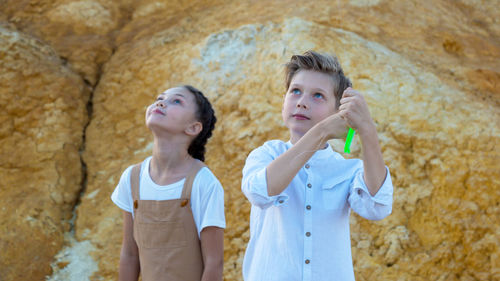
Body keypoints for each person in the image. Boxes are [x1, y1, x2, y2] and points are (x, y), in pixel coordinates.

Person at [241, 51, 393, 281]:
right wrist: (321, 132)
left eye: (318, 96)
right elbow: (260, 192)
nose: (302, 102)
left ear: (338, 111)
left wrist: (367, 129)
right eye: (295, 91)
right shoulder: (266, 154)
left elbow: (377, 207)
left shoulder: (348, 169)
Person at [111, 85, 225, 281]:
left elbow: (214, 263)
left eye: (176, 101)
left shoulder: (203, 182)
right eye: (159, 98)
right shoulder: (131, 178)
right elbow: (130, 255)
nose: (161, 102)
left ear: (193, 128)